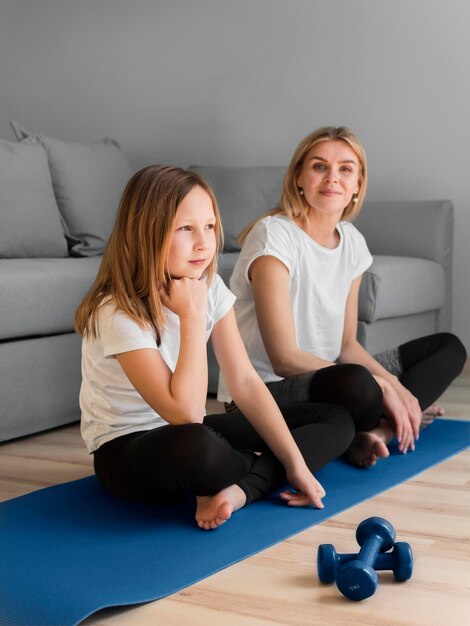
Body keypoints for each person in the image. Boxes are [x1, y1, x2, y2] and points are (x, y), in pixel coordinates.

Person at [75, 164, 383, 531]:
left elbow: (245, 383)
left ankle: (241, 488)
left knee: (336, 420)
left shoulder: (210, 287)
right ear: (147, 232)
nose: (204, 243)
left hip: (193, 429)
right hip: (127, 450)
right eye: (186, 229)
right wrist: (191, 317)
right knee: (200, 448)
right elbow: (186, 414)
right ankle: (252, 470)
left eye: (209, 227)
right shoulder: (116, 311)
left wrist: (296, 464)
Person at [222, 127, 466, 465]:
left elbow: (347, 345)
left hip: (331, 376)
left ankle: (379, 432)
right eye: (319, 166)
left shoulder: (352, 242)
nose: (332, 178)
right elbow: (284, 358)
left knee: (449, 348)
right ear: (299, 178)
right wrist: (381, 387)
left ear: (357, 185)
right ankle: (386, 418)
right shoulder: (273, 237)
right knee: (362, 384)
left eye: (345, 169)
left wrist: (395, 384)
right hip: (266, 390)